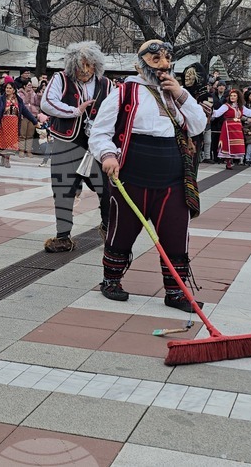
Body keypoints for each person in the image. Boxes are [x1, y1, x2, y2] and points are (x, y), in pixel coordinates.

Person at [89, 40, 208, 311]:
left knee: (176, 233)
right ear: (141, 64)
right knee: (122, 231)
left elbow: (198, 125)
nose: (163, 65)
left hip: (173, 176)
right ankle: (111, 281)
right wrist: (108, 155)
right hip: (132, 174)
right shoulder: (124, 92)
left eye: (167, 59)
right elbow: (100, 132)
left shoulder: (175, 94)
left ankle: (176, 292)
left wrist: (181, 94)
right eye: (156, 60)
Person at [39, 41, 115, 252]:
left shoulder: (107, 85)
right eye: (81, 65)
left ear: (95, 64)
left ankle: (109, 229)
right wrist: (75, 110)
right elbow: (47, 103)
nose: (85, 70)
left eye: (89, 65)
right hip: (67, 142)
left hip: (96, 145)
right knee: (63, 190)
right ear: (72, 64)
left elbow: (115, 113)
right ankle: (63, 237)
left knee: (107, 188)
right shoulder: (60, 78)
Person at [0, 80, 43, 167]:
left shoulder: (19, 100)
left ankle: (7, 160)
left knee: (11, 143)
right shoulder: (0, 99)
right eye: (7, 88)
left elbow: (26, 112)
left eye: (10, 88)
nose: (8, 89)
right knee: (3, 143)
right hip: (3, 124)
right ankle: (3, 158)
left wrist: (35, 121)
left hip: (14, 125)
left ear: (14, 90)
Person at [207, 88, 251, 169]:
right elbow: (217, 113)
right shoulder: (226, 106)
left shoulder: (240, 107)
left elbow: (249, 112)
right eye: (231, 96)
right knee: (228, 144)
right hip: (228, 126)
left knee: (235, 144)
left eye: (234, 96)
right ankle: (228, 161)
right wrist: (209, 110)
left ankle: (232, 160)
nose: (232, 97)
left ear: (238, 97)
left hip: (237, 127)